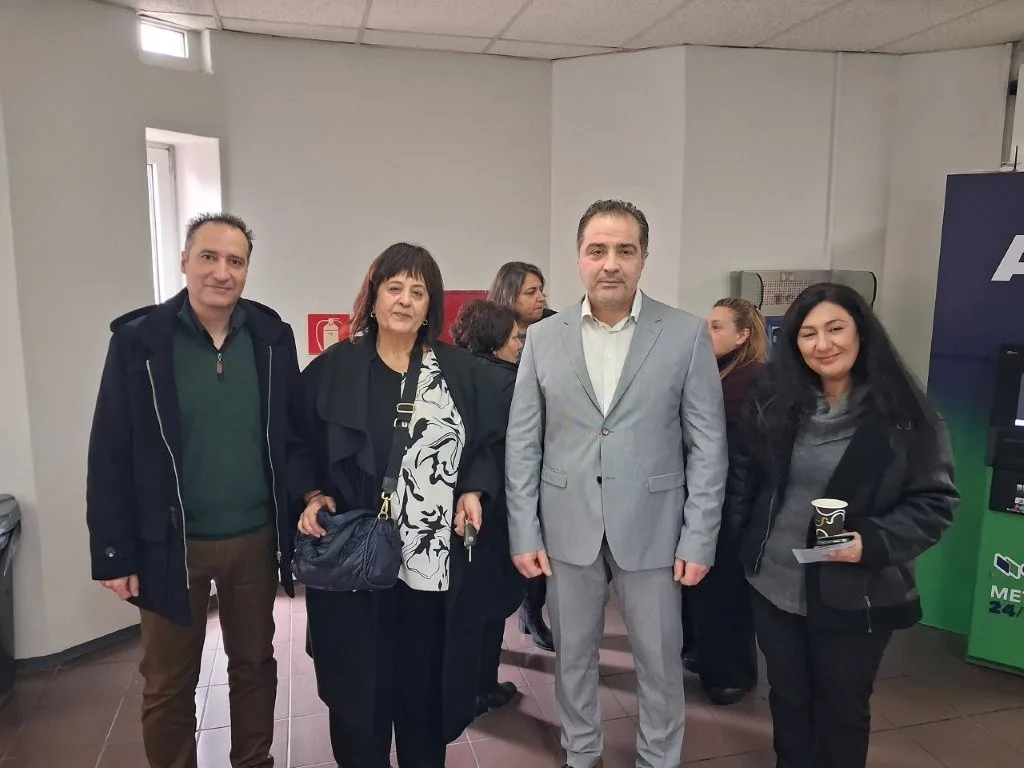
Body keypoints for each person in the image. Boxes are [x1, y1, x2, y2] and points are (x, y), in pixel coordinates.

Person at [505, 199, 728, 768]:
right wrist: (524, 531)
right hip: (566, 526)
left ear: (643, 258)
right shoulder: (543, 337)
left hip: (655, 530)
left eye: (625, 251)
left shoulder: (684, 334)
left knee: (660, 661)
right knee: (572, 657)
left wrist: (699, 537)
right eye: (597, 250)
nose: (610, 263)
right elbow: (523, 443)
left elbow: (708, 447)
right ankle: (581, 752)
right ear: (579, 257)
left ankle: (659, 757)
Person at [86, 213, 310, 768]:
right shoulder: (139, 342)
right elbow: (110, 450)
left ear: (247, 270)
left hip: (254, 540)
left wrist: (307, 499)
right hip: (169, 544)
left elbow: (293, 435)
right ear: (184, 261)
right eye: (208, 257)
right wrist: (114, 552)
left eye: (235, 261)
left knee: (254, 666)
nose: (221, 272)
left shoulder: (272, 338)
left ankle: (254, 761)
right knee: (168, 681)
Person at [726, 282, 959, 768]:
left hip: (855, 590)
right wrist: (741, 543)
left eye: (835, 328)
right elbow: (746, 477)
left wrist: (871, 542)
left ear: (861, 332)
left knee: (842, 709)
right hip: (774, 585)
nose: (823, 344)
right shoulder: (776, 402)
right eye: (808, 333)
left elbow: (935, 502)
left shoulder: (907, 416)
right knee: (788, 701)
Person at [293, 243, 502, 768]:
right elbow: (295, 442)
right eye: (394, 287)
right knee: (358, 697)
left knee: (423, 693)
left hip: (431, 570)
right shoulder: (333, 368)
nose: (405, 300)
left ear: (432, 305)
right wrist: (311, 494)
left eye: (418, 291)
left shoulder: (460, 372)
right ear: (374, 295)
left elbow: (488, 445)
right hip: (355, 564)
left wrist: (474, 489)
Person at [683, 298, 768, 705]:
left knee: (726, 593)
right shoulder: (718, 373)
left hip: (734, 502)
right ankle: (707, 655)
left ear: (743, 336)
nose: (707, 332)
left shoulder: (749, 382)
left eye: (717, 327)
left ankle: (732, 673)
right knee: (705, 589)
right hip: (711, 498)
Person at [450, 299, 526, 716]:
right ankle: (482, 687)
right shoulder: (513, 385)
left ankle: (458, 686)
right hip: (496, 508)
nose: (519, 344)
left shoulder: (447, 372)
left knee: (462, 602)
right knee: (491, 602)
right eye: (514, 337)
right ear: (496, 340)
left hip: (450, 507)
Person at [488, 261, 556, 651]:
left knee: (542, 539)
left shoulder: (555, 328)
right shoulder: (490, 331)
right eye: (531, 291)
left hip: (548, 450)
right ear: (509, 295)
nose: (540, 298)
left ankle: (532, 612)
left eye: (541, 289)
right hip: (501, 456)